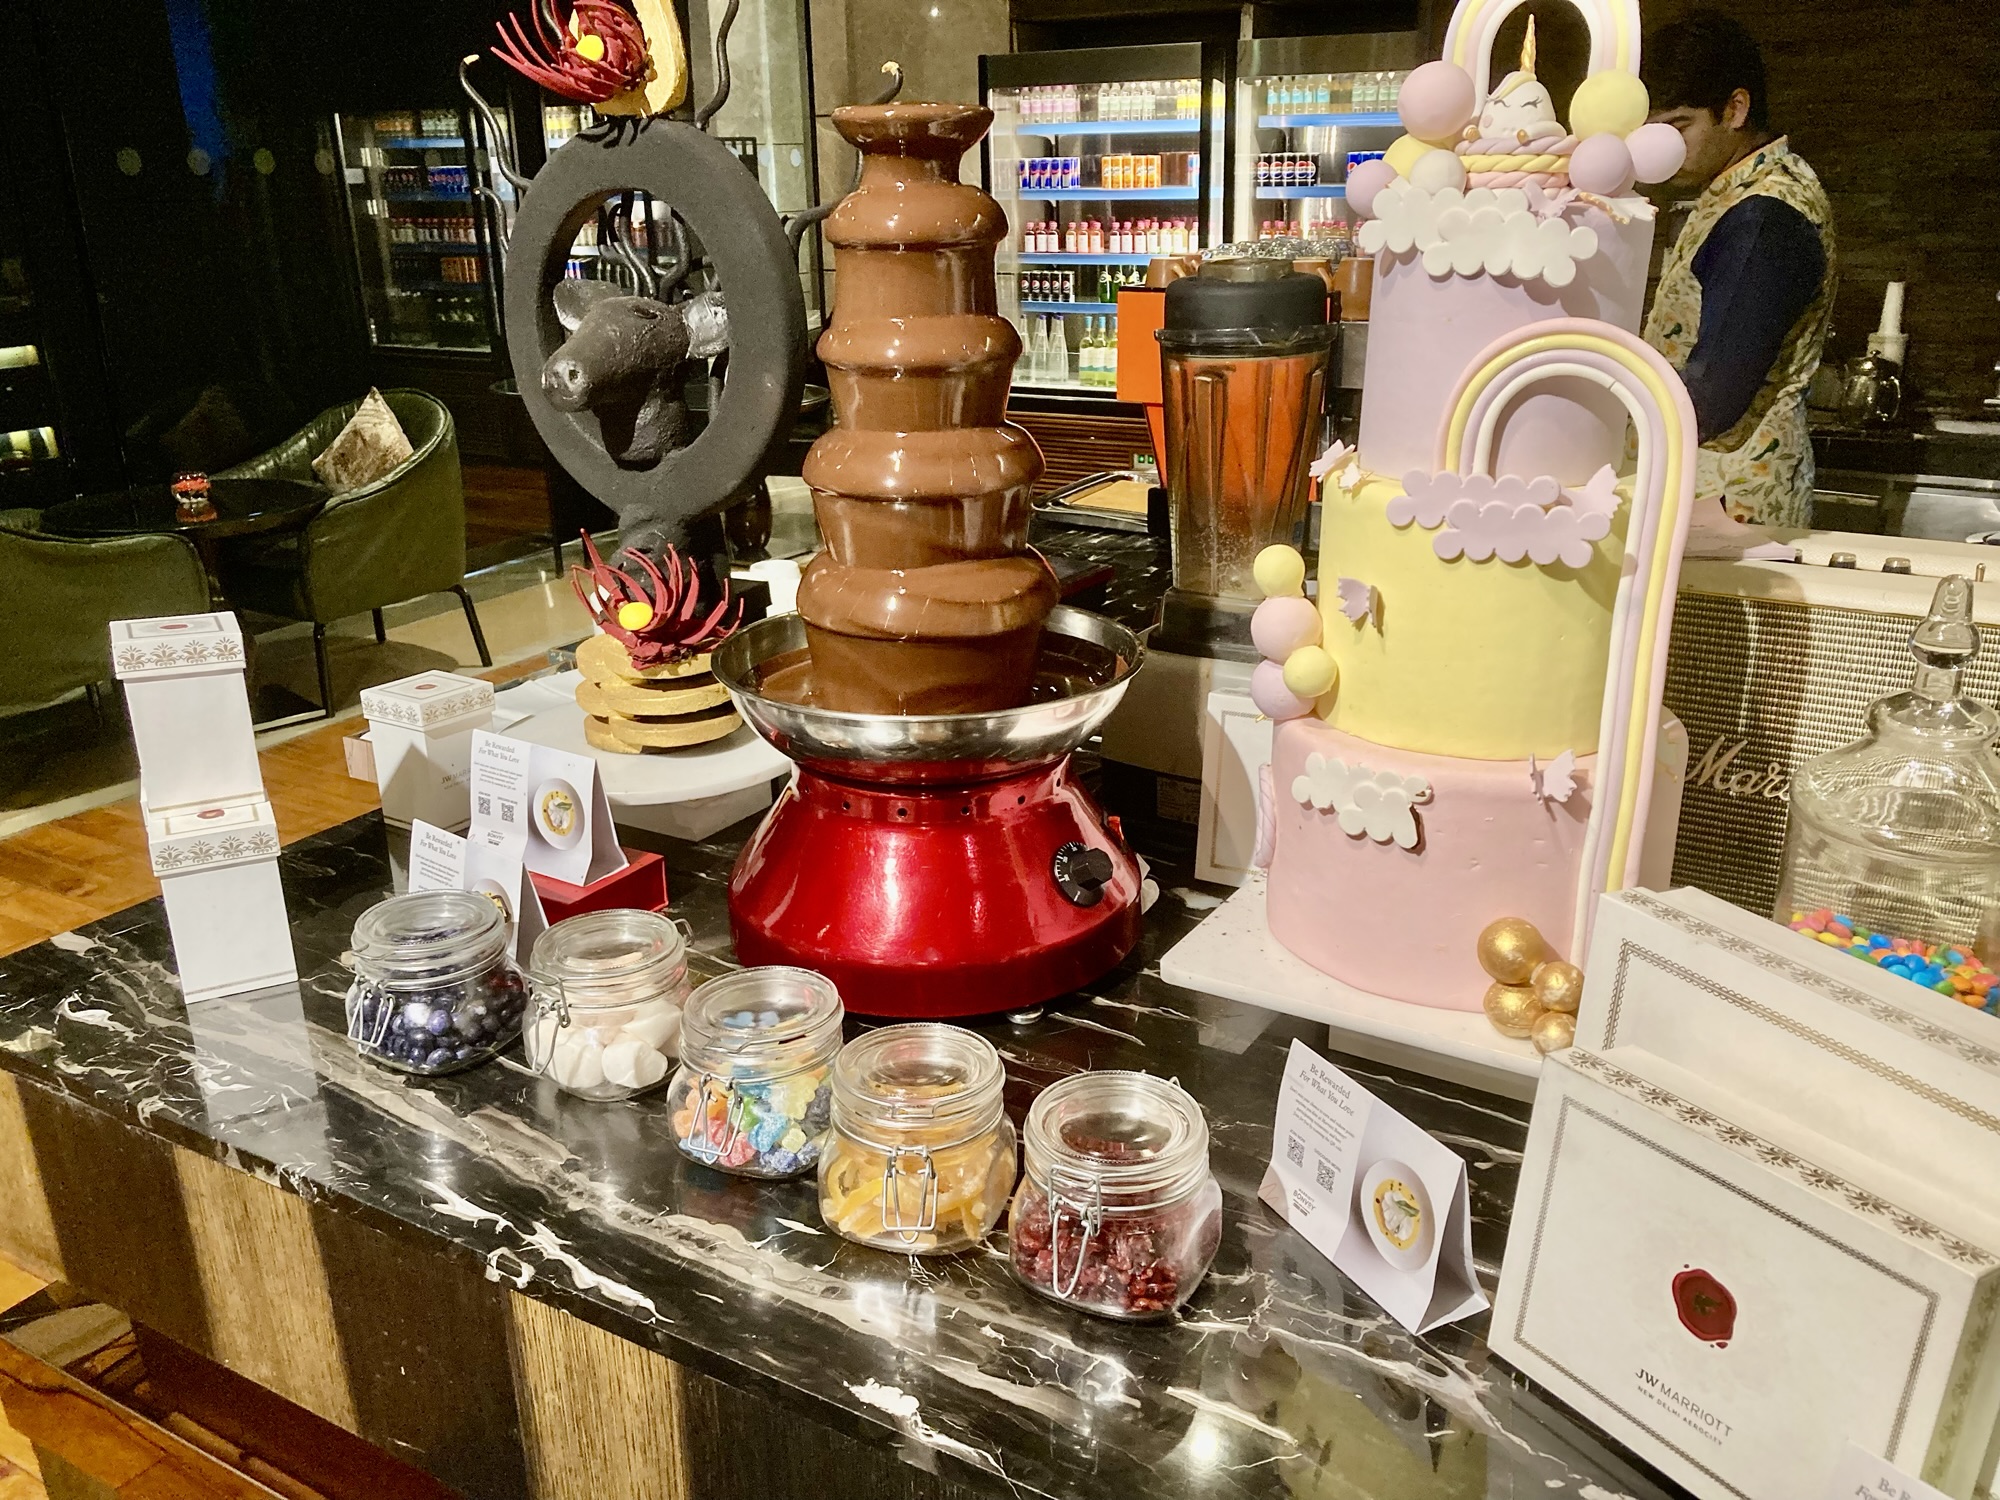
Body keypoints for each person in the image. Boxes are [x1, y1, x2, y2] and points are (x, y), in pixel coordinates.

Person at [1640, 10, 1835, 528]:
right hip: (1714, 489)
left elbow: (1713, 395)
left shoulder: (1764, 213)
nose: (1664, 149)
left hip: (1731, 499)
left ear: (1735, 109)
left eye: (1679, 126)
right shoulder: (1741, 194)